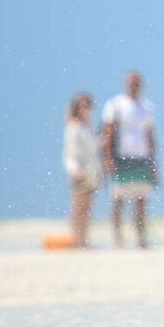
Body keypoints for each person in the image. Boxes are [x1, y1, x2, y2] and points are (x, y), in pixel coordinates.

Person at [101, 71, 157, 249]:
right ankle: (117, 238)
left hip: (141, 157)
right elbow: (108, 133)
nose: (134, 86)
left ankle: (142, 238)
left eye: (137, 83)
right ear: (126, 84)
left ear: (142, 85)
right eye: (131, 83)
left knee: (141, 200)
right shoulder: (115, 105)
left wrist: (153, 161)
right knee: (119, 199)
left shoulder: (147, 107)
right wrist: (108, 158)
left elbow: (150, 135)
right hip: (121, 157)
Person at [62, 92, 101, 247]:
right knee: (78, 208)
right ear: (76, 108)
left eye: (87, 106)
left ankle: (84, 239)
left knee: (87, 208)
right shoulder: (73, 127)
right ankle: (76, 239)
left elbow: (93, 149)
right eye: (82, 106)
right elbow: (70, 152)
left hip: (91, 172)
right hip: (79, 172)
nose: (86, 109)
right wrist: (75, 170)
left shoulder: (88, 126)